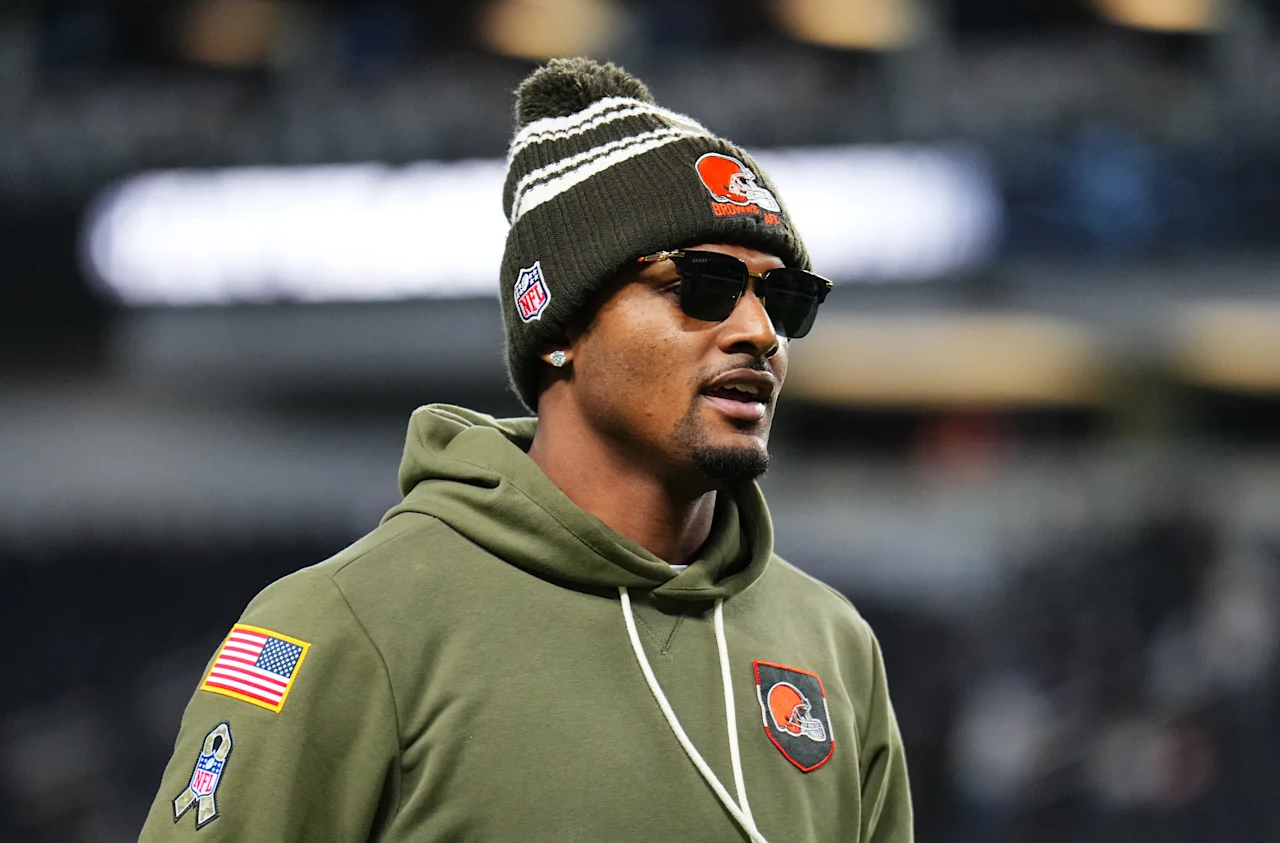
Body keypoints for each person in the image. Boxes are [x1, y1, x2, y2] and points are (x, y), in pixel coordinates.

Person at [139, 57, 913, 843]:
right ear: (558, 329)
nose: (759, 333)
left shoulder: (834, 643)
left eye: (783, 299)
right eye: (703, 286)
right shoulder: (344, 622)